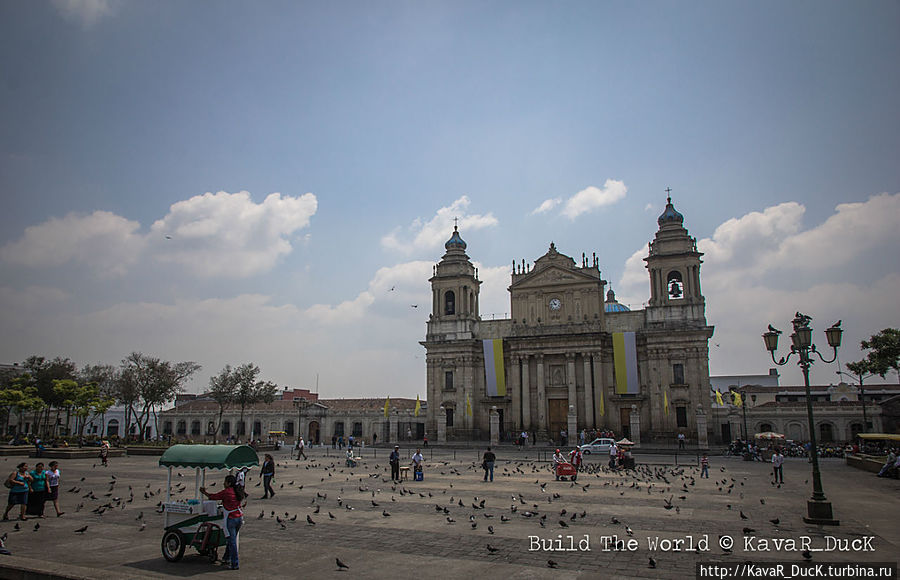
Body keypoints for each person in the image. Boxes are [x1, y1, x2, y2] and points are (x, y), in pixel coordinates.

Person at [200, 474, 244, 570]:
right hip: (239, 518)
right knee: (231, 541)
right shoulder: (237, 491)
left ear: (228, 483)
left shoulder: (226, 492)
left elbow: (213, 496)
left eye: (225, 482)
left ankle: (234, 564)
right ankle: (226, 558)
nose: (223, 484)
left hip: (231, 519)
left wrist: (204, 492)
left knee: (231, 542)